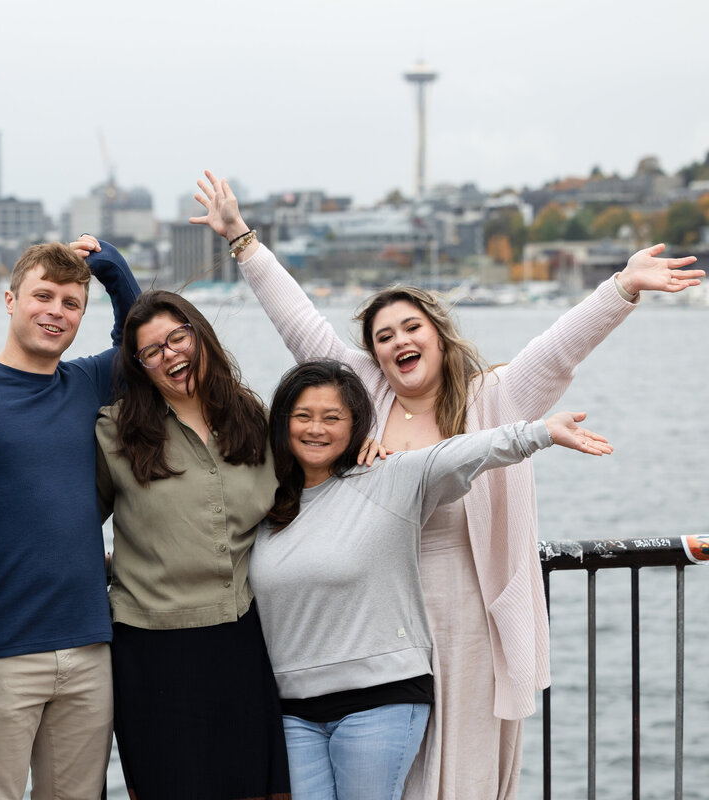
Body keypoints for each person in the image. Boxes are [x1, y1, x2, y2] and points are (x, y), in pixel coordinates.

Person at [192, 169, 703, 799]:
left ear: (437, 335)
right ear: (373, 355)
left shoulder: (495, 396)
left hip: (464, 603)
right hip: (372, 614)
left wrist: (621, 288)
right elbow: (298, 322)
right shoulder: (362, 401)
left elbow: (560, 347)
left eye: (411, 328)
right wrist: (241, 238)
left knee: (454, 768)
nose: (398, 341)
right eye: (383, 337)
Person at [250, 359, 613, 800]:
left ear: (355, 425)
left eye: (332, 417)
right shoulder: (266, 501)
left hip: (378, 699)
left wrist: (540, 433)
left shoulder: (388, 477)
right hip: (293, 710)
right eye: (303, 416)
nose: (316, 429)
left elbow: (463, 451)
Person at [0, 235, 141, 798]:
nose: (55, 312)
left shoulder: (85, 384)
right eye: (42, 296)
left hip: (87, 645)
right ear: (10, 301)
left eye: (69, 303)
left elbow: (138, 338)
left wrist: (110, 265)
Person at [95, 290, 292, 799]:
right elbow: (66, 527)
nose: (170, 355)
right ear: (140, 366)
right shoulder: (116, 432)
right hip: (153, 649)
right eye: (152, 351)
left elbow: (303, 507)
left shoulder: (256, 422)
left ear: (200, 337)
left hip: (245, 642)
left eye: (177, 337)